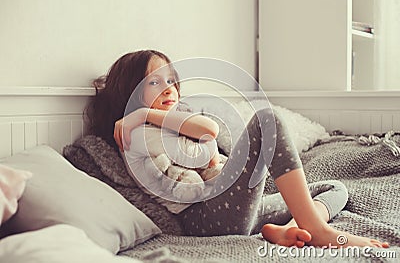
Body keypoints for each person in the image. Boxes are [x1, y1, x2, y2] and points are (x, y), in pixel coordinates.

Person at [86, 50, 389, 248]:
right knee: (266, 122)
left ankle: (294, 229)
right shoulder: (137, 134)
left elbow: (208, 130)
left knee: (334, 188)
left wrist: (149, 112)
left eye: (172, 81)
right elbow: (208, 136)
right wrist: (142, 116)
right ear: (131, 93)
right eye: (155, 82)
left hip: (236, 211)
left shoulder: (168, 122)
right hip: (205, 218)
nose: (169, 89)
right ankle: (317, 229)